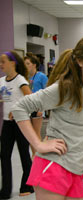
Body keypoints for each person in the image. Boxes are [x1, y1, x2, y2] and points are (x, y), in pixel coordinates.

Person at [11, 35, 83, 200]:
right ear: (79, 61)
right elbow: (19, 107)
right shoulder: (64, 88)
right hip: (54, 166)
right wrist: (38, 145)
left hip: (76, 169)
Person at [0, 50, 34, 199]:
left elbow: (31, 98)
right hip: (7, 123)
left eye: (3, 62)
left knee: (24, 155)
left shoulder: (20, 80)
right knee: (4, 155)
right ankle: (6, 189)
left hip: (21, 123)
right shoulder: (1, 81)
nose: (1, 65)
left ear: (12, 63)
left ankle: (27, 185)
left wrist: (18, 109)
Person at [24, 52, 48, 157]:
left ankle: (38, 155)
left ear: (34, 65)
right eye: (25, 64)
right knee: (30, 135)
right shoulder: (25, 78)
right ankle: (34, 155)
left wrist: (42, 109)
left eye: (28, 63)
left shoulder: (41, 76)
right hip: (28, 108)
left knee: (36, 133)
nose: (26, 66)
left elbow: (47, 93)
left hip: (38, 108)